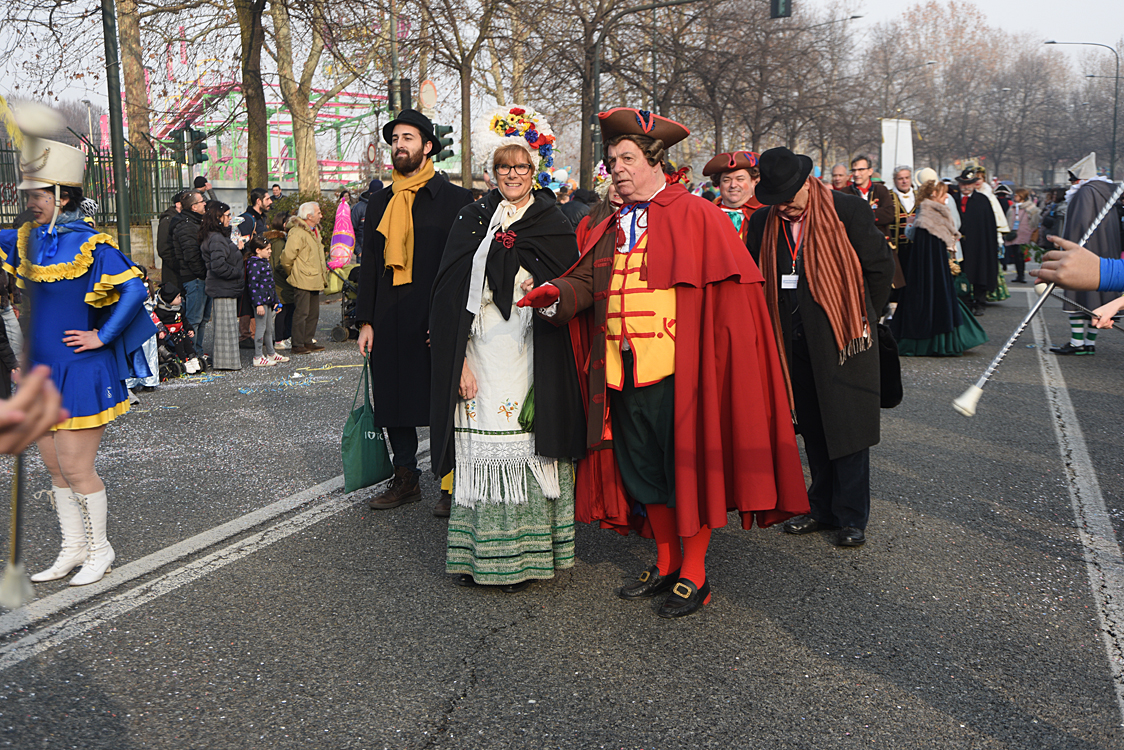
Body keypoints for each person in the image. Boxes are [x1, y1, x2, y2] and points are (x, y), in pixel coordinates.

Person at [518, 108, 808, 618]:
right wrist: (552, 294)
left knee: (684, 473)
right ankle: (666, 559)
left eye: (627, 158)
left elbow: (732, 306)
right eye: (612, 161)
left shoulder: (699, 215)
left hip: (679, 373)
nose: (617, 169)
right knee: (643, 472)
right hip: (618, 372)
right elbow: (587, 282)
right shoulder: (605, 223)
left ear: (656, 161)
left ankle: (694, 573)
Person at [0, 105, 157, 585]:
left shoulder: (92, 245)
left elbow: (134, 289)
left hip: (82, 368)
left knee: (75, 464)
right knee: (53, 465)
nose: (30, 201)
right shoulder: (23, 240)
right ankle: (72, 548)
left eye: (38, 194)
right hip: (40, 371)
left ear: (63, 195)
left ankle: (100, 550)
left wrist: (102, 336)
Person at [430, 105, 585, 591]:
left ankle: (530, 554)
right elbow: (448, 293)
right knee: (483, 449)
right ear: (491, 171)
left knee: (532, 449)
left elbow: (569, 282)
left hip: (532, 355)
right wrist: (457, 363)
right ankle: (482, 556)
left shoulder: (551, 220)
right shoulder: (472, 218)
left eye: (520, 167)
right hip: (480, 354)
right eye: (504, 167)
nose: (512, 175)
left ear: (533, 170)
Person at [745, 147, 896, 548]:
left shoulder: (847, 211)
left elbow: (880, 268)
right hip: (790, 341)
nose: (785, 207)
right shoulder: (764, 220)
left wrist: (864, 316)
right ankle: (821, 508)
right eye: (777, 200)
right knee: (811, 428)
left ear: (806, 184)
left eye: (790, 197)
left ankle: (851, 517)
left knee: (847, 430)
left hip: (843, 338)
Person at [356, 109, 472, 515]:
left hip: (434, 316)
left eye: (408, 138)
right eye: (395, 139)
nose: (399, 145)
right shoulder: (380, 202)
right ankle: (405, 477)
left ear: (428, 147)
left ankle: (451, 483)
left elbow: (464, 267)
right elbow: (369, 263)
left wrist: (451, 320)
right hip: (389, 316)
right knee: (393, 398)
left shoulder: (457, 200)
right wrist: (365, 321)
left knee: (443, 398)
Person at [891, 179, 987, 356]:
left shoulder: (932, 213)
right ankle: (934, 343)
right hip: (931, 273)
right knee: (935, 302)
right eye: (944, 194)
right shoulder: (929, 216)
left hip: (931, 270)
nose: (947, 198)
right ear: (934, 194)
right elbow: (927, 247)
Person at [1050, 165, 1122, 356]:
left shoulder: (1085, 192)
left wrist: (1067, 247)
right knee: (1097, 301)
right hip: (1107, 253)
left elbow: (1078, 223)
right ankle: (1089, 343)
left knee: (1077, 297)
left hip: (1085, 254)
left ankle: (1077, 342)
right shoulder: (1108, 192)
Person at [200, 200, 246, 370]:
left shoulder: (216, 236)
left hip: (224, 286)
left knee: (226, 327)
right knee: (226, 327)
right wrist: (237, 273)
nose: (230, 218)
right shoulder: (217, 238)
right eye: (227, 215)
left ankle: (226, 362)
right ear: (218, 217)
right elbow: (218, 265)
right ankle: (226, 363)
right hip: (223, 286)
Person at [279, 201, 327, 355]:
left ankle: (307, 340)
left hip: (314, 277)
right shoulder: (298, 232)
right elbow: (287, 258)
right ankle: (298, 343)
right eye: (318, 213)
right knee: (302, 313)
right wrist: (293, 273)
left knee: (313, 313)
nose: (321, 216)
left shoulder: (314, 231)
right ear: (309, 216)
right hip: (303, 278)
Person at [950, 167, 998, 316]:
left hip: (978, 244)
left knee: (979, 270)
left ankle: (979, 301)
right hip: (959, 244)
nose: (966, 187)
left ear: (974, 184)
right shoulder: (953, 200)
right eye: (963, 184)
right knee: (961, 272)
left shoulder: (982, 200)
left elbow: (988, 226)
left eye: (969, 184)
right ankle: (964, 301)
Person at [173, 190, 211, 351]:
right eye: (202, 201)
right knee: (194, 319)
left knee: (202, 319)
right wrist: (202, 273)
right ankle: (191, 353)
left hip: (201, 277)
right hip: (195, 278)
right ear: (194, 207)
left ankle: (199, 351)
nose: (205, 204)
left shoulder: (196, 222)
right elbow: (191, 255)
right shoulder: (186, 225)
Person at [702, 150, 762, 241]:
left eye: (740, 179)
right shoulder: (706, 215)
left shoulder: (767, 214)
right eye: (726, 180)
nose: (733, 185)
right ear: (719, 183)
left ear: (754, 181)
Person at [245, 236, 287, 367]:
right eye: (267, 249)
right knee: (261, 328)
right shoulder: (254, 264)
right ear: (258, 250)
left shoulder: (264, 262)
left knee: (269, 328)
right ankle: (258, 356)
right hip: (261, 303)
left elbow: (270, 284)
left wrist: (276, 300)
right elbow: (253, 285)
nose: (270, 251)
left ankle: (271, 352)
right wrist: (258, 304)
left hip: (268, 301)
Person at [266, 213, 294, 350]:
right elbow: (279, 264)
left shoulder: (278, 240)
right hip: (280, 281)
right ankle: (279, 339)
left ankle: (285, 337)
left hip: (280, 280)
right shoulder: (279, 242)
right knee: (282, 310)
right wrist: (290, 274)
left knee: (288, 309)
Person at [846, 156, 894, 235]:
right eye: (854, 170)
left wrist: (861, 215)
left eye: (861, 170)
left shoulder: (882, 190)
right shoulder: (846, 192)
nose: (856, 174)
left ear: (870, 171)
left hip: (880, 241)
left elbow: (888, 215)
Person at [1003, 188, 1040, 285]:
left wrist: (1031, 230)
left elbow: (1035, 221)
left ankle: (1021, 275)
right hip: (1014, 233)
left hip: (1024, 234)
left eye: (1017, 195)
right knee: (1015, 255)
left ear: (1022, 196)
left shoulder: (1030, 208)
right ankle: (1019, 275)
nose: (1015, 197)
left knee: (1020, 255)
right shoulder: (1013, 207)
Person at [156, 190, 186, 290]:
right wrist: (179, 266)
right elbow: (164, 248)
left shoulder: (183, 218)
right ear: (178, 204)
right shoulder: (168, 220)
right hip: (173, 274)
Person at [352, 179, 383, 256]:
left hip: (380, 253)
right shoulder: (359, 208)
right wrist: (358, 251)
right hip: (363, 252)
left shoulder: (385, 206)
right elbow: (351, 230)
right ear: (370, 192)